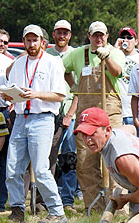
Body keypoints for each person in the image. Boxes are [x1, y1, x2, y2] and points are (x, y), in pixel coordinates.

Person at [3, 24, 67, 223]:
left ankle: (57, 212)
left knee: (40, 169)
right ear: (23, 42)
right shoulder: (18, 63)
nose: (31, 44)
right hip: (21, 118)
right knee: (12, 167)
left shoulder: (52, 63)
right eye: (28, 40)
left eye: (35, 40)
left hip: (42, 118)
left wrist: (36, 93)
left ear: (43, 42)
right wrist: (8, 94)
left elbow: (59, 95)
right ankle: (17, 210)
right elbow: (9, 88)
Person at [63, 21, 125, 212]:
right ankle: (94, 207)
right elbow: (63, 69)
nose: (99, 38)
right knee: (85, 163)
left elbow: (118, 73)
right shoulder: (77, 54)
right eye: (95, 35)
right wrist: (73, 85)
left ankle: (117, 205)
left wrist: (107, 59)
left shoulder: (115, 53)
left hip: (110, 114)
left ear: (107, 36)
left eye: (102, 35)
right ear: (89, 37)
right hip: (86, 117)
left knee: (116, 161)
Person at [46, 19, 78, 212]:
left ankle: (67, 199)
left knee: (69, 158)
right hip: (49, 112)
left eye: (65, 33)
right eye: (59, 32)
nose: (62, 36)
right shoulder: (46, 55)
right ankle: (47, 199)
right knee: (48, 158)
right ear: (54, 34)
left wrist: (71, 115)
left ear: (70, 35)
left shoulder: (75, 55)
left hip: (68, 112)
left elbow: (79, 90)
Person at [115, 27, 139, 126]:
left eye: (129, 37)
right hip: (118, 112)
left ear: (136, 41)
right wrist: (115, 50)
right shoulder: (115, 56)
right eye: (123, 37)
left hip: (138, 112)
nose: (126, 40)